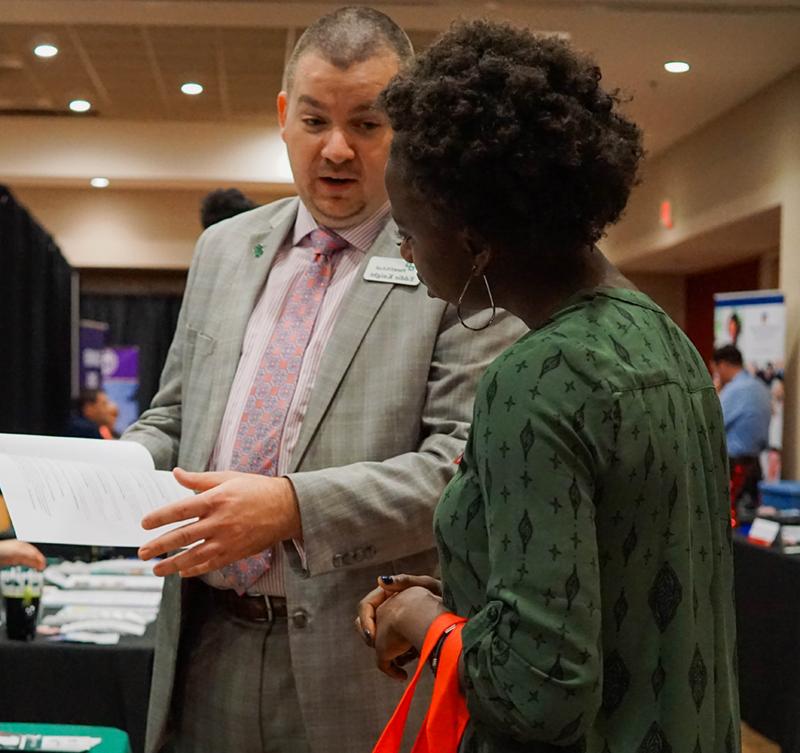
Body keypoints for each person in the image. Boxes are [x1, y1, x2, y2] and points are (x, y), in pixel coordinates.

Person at [122, 8, 522, 753]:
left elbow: (463, 468)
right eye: (314, 120)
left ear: (406, 125)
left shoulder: (459, 261)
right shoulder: (222, 249)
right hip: (209, 647)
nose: (336, 149)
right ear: (283, 116)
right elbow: (175, 414)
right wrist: (110, 471)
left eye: (367, 125)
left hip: (365, 665)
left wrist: (291, 507)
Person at [357, 21, 739, 753]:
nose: (404, 252)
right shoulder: (664, 341)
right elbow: (613, 590)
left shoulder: (535, 379)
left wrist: (412, 616)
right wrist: (461, 598)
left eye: (407, 229)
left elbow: (538, 692)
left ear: (472, 240)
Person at [713, 344, 772, 512]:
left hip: (734, 467)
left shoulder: (734, 390)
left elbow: (713, 424)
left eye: (716, 370)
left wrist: (714, 393)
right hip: (754, 464)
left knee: (730, 519)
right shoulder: (760, 387)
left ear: (722, 365)